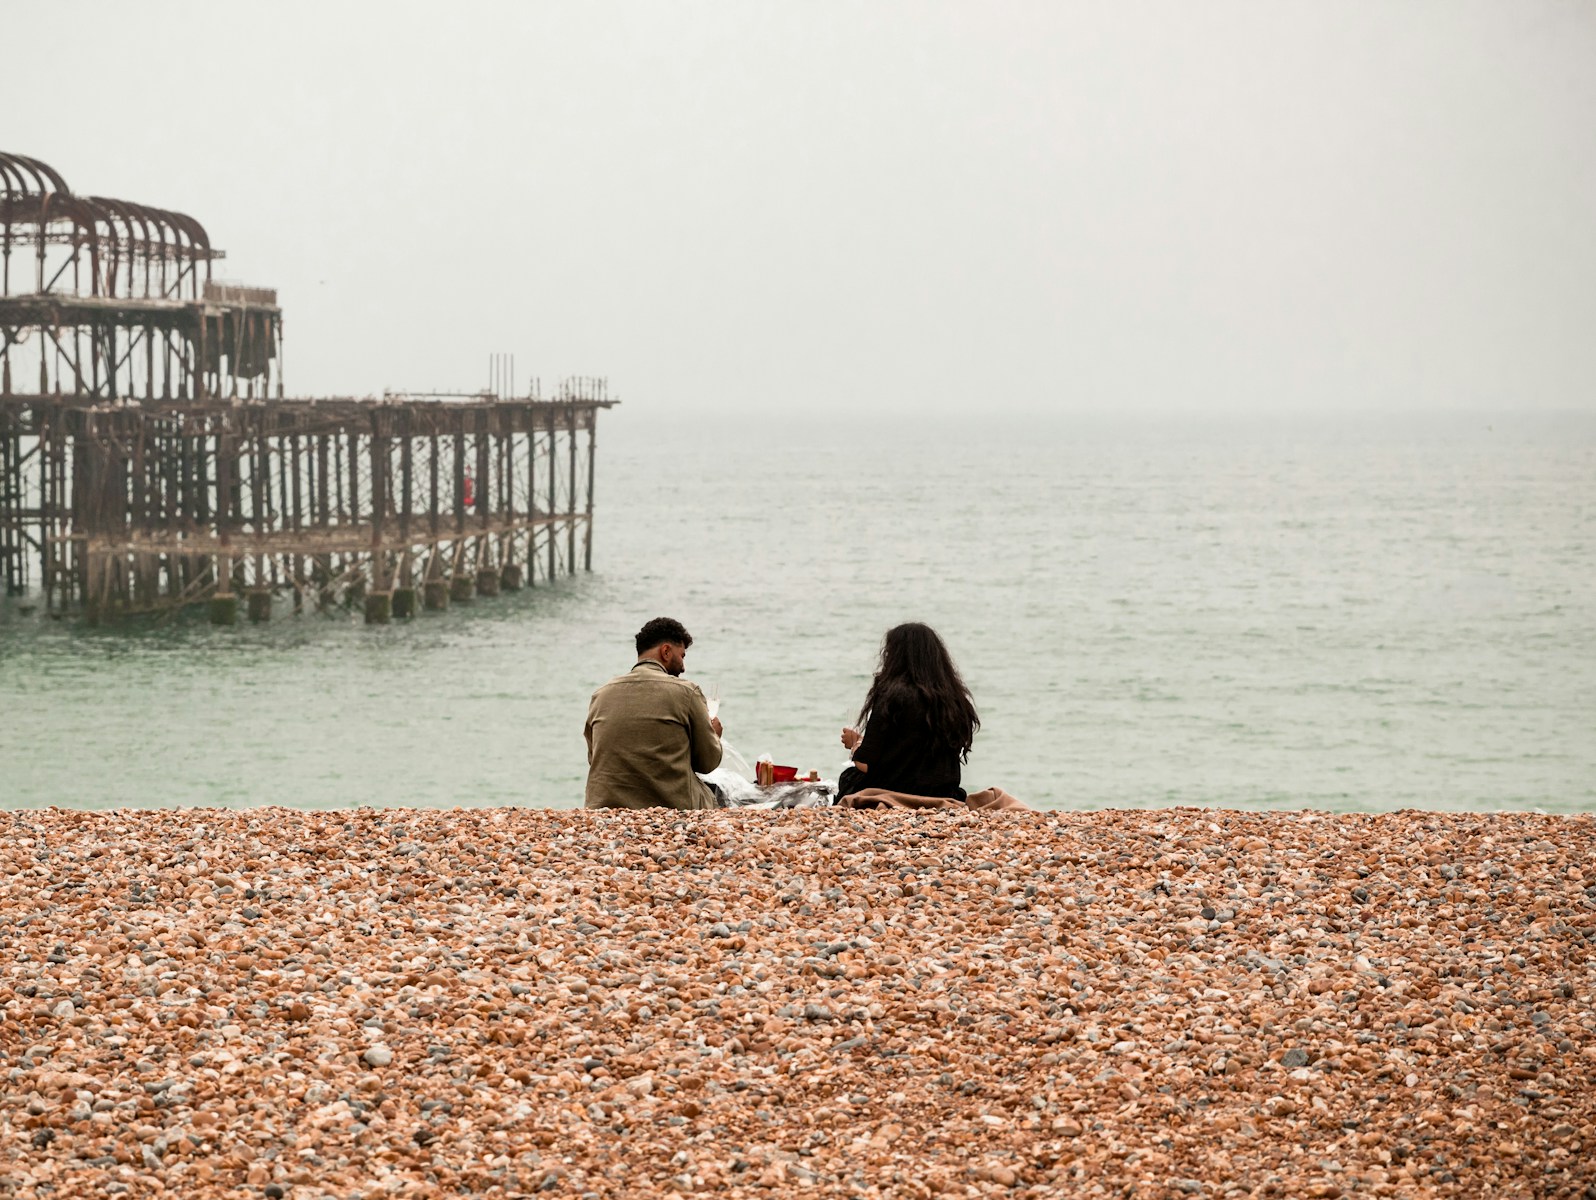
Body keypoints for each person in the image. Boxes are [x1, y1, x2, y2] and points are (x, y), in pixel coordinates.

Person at [585, 617, 724, 810]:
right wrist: (714, 736)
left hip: (603, 808)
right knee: (719, 794)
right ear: (666, 651)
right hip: (672, 806)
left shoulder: (600, 695)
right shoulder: (686, 692)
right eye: (682, 656)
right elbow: (706, 764)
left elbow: (595, 757)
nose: (683, 667)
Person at [838, 622, 979, 803]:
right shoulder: (955, 700)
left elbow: (867, 764)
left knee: (850, 777)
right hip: (943, 793)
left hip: (896, 790)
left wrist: (855, 745)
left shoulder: (891, 696)